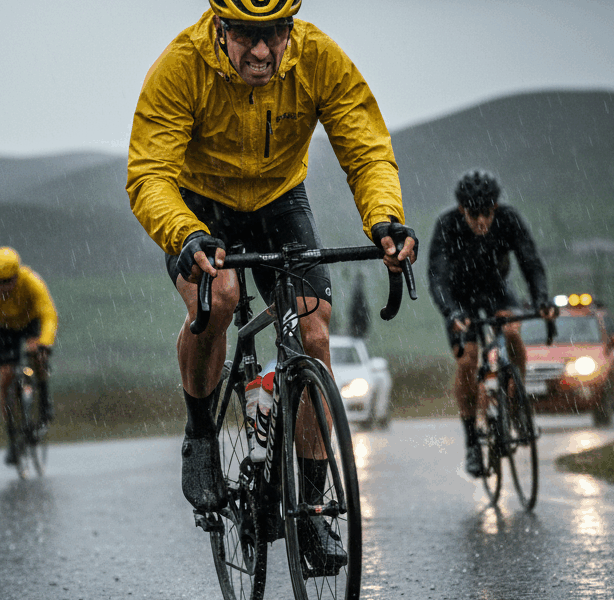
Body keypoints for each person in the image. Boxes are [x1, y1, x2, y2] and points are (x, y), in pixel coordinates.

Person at [126, 0, 418, 566]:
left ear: (290, 30)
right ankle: (201, 436)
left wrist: (384, 218)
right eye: (246, 36)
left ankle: (309, 511)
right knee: (223, 297)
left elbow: (366, 149)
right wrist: (186, 233)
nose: (261, 51)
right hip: (198, 207)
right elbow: (149, 174)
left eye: (274, 34)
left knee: (314, 338)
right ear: (220, 28)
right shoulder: (181, 66)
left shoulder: (318, 58)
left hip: (280, 199)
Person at [427, 170, 555, 477]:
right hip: (460, 299)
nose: (482, 221)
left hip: (498, 291)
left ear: (495, 208)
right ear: (462, 210)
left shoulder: (508, 219)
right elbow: (438, 277)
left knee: (511, 329)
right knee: (468, 360)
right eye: (474, 215)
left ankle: (517, 406)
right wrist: (451, 312)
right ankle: (472, 441)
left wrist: (541, 299)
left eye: (487, 213)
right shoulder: (447, 225)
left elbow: (530, 261)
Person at [0, 246, 58, 464]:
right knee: (5, 378)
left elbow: (48, 313)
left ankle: (44, 400)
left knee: (37, 355)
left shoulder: (32, 282)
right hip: (6, 329)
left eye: (8, 281)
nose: (3, 287)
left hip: (31, 323)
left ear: (17, 274)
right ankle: (13, 439)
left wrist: (45, 343)